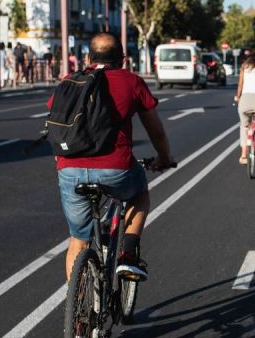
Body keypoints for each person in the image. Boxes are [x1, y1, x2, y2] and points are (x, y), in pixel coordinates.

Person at [51, 32, 175, 282]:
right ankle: (128, 255)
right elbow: (156, 130)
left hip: (69, 170)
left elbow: (56, 119)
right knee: (140, 193)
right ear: (123, 59)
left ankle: (77, 315)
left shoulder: (69, 81)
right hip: (115, 169)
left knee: (78, 239)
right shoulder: (131, 82)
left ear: (87, 58)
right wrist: (164, 157)